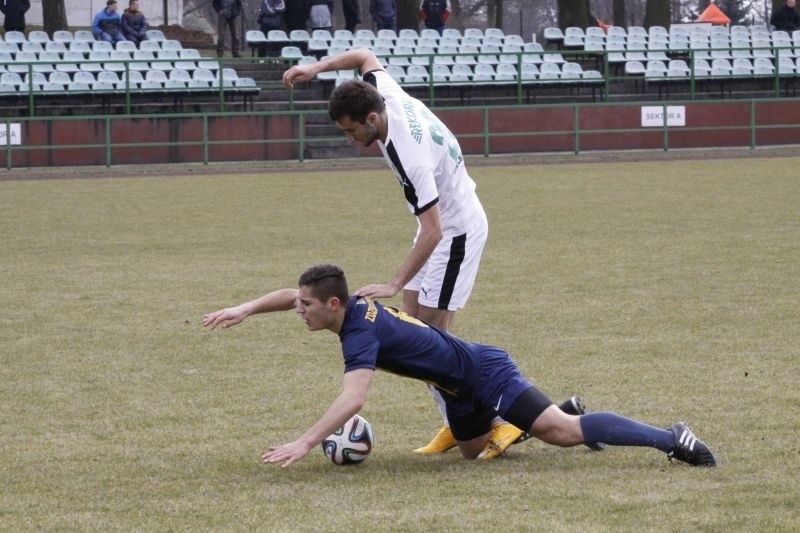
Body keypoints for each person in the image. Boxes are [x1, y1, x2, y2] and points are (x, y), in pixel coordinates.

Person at [203, 264, 718, 469]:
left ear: (333, 305)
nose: (300, 310)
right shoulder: (350, 301)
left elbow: (354, 398)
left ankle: (671, 437)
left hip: (483, 372)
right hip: (455, 388)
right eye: (301, 305)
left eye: (307, 307)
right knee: (474, 452)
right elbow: (290, 292)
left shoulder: (359, 333)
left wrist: (304, 442)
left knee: (562, 433)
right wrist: (246, 308)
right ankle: (543, 415)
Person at [282, 47, 533, 459]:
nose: (350, 139)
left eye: (351, 132)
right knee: (417, 333)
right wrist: (316, 67)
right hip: (436, 228)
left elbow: (435, 231)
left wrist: (394, 282)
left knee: (434, 336)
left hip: (457, 232)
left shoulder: (407, 154)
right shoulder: (384, 91)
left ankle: (498, 419)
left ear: (372, 119)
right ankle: (461, 421)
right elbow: (365, 54)